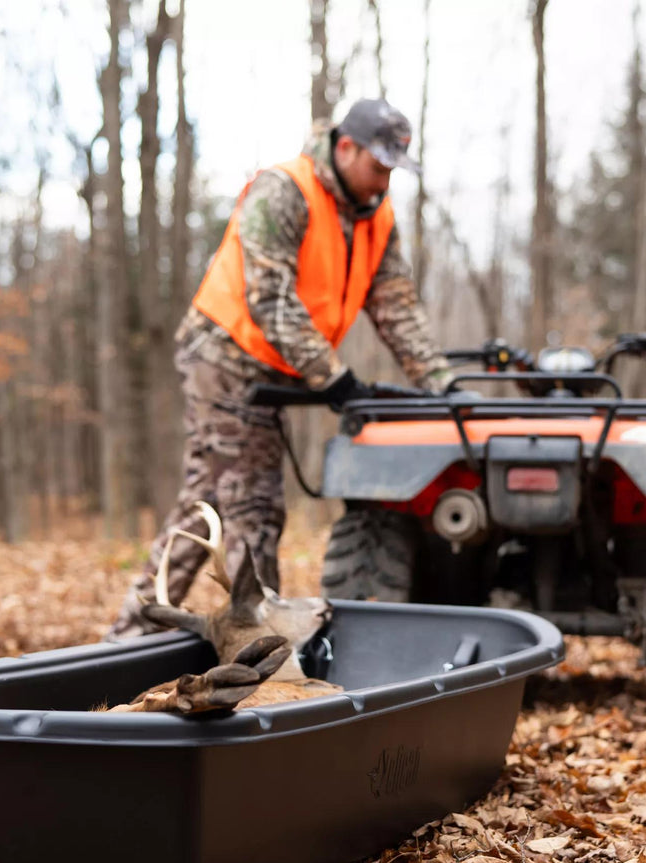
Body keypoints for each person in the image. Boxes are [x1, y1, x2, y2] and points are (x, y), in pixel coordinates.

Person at [106, 97, 452, 639]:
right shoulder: (284, 190)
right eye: (378, 166)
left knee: (204, 506)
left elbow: (397, 308)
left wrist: (441, 383)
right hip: (225, 359)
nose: (384, 181)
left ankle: (130, 632)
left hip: (273, 371)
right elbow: (270, 297)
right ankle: (261, 650)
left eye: (392, 171)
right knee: (255, 508)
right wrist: (330, 375)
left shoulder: (377, 219)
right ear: (345, 147)